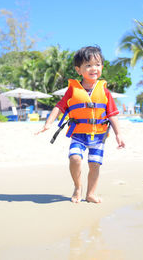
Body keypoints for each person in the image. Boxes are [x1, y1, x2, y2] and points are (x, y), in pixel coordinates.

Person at [36, 46, 125, 203]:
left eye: (97, 65)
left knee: (94, 164)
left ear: (102, 67)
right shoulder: (73, 90)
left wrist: (118, 134)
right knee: (75, 158)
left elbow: (112, 114)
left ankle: (90, 193)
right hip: (79, 134)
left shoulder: (104, 91)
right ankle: (78, 187)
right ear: (79, 70)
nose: (93, 68)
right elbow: (60, 106)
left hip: (98, 135)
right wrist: (48, 123)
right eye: (88, 65)